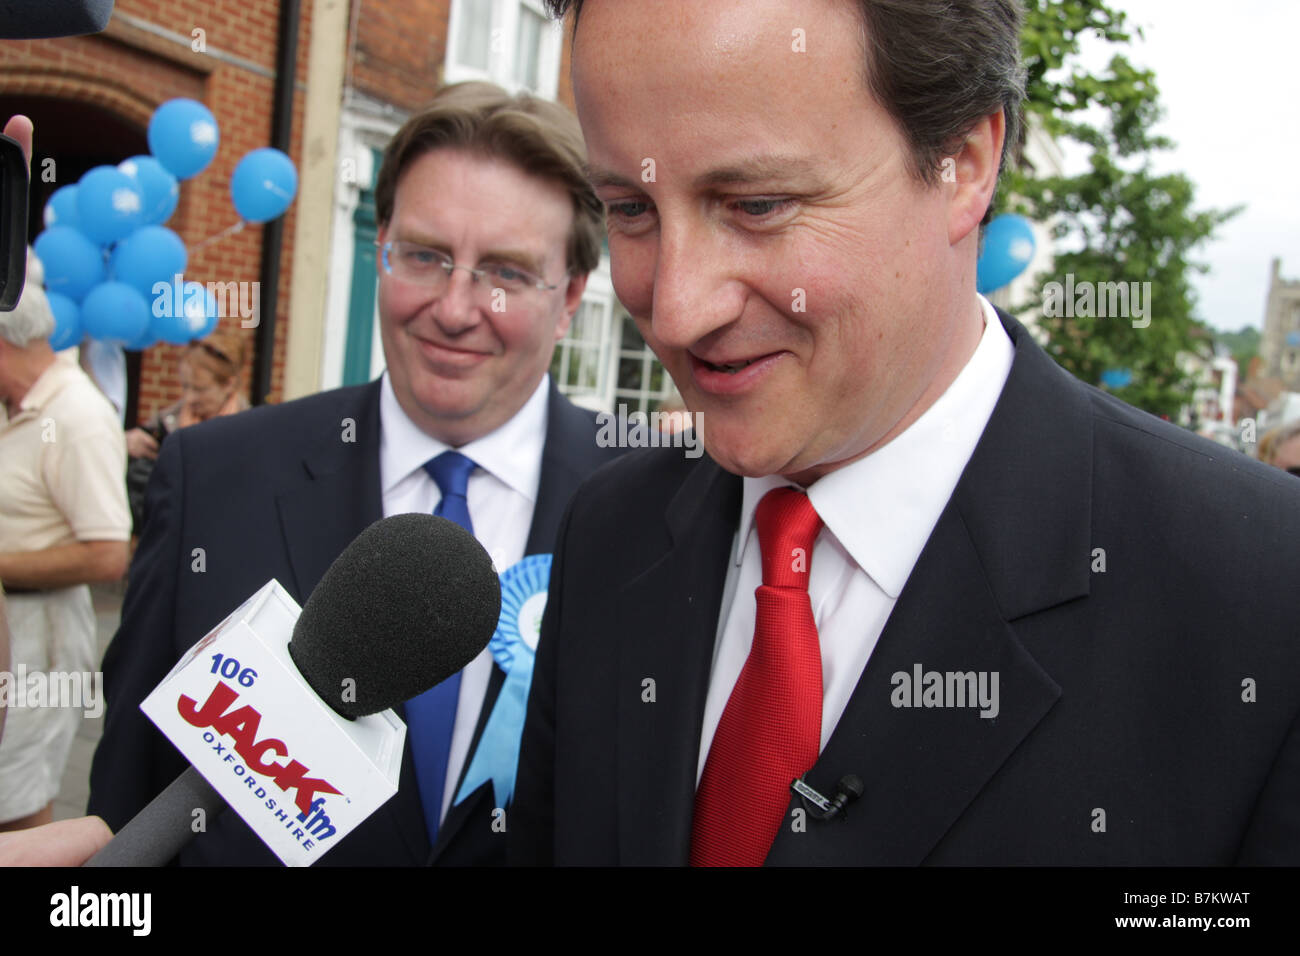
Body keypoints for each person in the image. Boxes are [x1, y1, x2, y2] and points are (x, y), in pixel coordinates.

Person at [510, 0, 1300, 866]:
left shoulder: (1261, 596)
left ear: (964, 163)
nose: (676, 306)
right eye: (628, 210)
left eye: (759, 204)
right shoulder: (611, 533)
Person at [88, 81, 621, 866]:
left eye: (505, 272)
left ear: (571, 295)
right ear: (383, 251)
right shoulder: (213, 479)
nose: (453, 306)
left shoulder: (652, 515)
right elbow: (125, 820)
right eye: (425, 255)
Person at [0, 249, 131, 832]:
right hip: (17, 631)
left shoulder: (77, 416)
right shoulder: (18, 406)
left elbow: (109, 552)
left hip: (40, 647)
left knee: (16, 804)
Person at [125, 330, 249, 532]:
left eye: (200, 389)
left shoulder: (251, 432)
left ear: (229, 384)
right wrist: (125, 444)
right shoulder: (163, 426)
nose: (189, 398)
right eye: (185, 386)